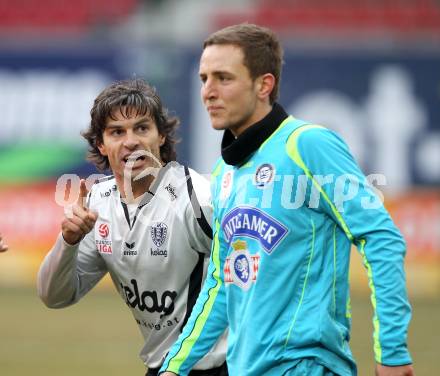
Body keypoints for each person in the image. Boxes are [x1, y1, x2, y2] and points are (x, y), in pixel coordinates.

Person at [159, 24, 414, 376]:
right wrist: (174, 368)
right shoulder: (223, 173)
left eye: (223, 78)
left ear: (264, 85)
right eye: (204, 78)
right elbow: (220, 284)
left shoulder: (309, 145)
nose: (208, 92)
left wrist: (393, 352)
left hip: (306, 365)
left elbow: (381, 238)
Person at [37, 78, 227, 375]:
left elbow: (252, 275)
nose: (131, 141)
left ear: (161, 136)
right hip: (162, 367)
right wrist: (68, 241)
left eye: (142, 128)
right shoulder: (98, 204)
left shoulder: (198, 198)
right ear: (100, 143)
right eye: (116, 132)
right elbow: (54, 296)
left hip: (222, 366)